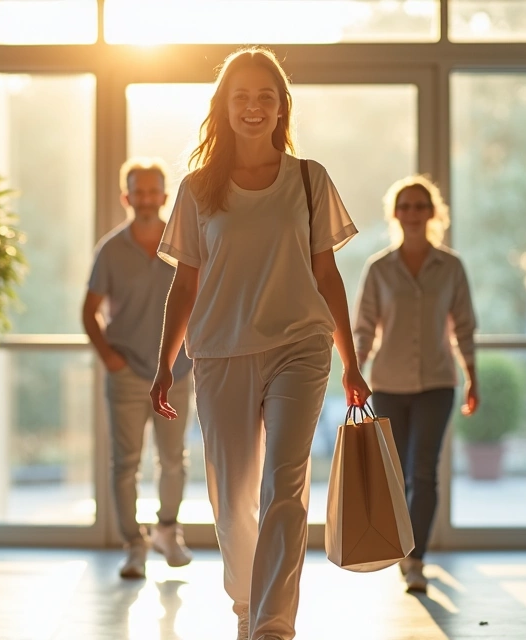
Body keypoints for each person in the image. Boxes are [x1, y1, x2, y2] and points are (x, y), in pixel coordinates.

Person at [149, 46, 371, 640]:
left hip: (300, 345)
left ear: (281, 107)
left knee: (285, 484)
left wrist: (351, 363)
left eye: (264, 97)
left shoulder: (309, 177)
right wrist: (164, 364)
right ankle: (246, 606)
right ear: (223, 106)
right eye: (240, 96)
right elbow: (185, 281)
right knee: (232, 495)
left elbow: (328, 275)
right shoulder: (198, 188)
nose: (253, 107)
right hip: (220, 351)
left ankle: (274, 623)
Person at [352, 174, 479, 593]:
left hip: (438, 385)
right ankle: (402, 550)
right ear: (395, 214)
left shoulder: (452, 266)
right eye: (404, 206)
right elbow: (364, 328)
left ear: (432, 213)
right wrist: (355, 371)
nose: (411, 214)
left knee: (423, 473)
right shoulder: (378, 269)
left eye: (419, 206)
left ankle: (416, 559)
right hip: (387, 383)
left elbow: (464, 326)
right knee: (397, 474)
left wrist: (472, 377)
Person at [83, 157, 195, 579]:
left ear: (165, 196)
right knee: (125, 463)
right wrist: (111, 359)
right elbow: (88, 312)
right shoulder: (111, 250)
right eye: (138, 191)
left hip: (177, 372)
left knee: (173, 460)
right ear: (125, 197)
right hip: (127, 373)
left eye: (153, 191)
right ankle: (134, 545)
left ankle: (167, 531)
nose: (146, 199)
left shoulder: (186, 242)